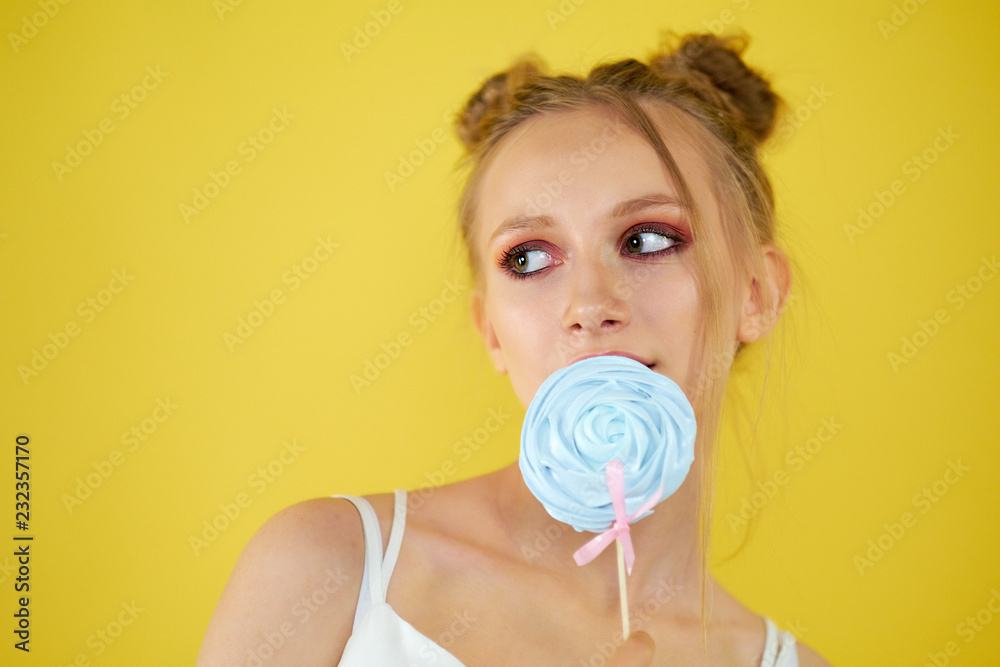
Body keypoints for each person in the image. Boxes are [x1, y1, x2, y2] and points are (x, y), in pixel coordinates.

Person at [197, 32, 833, 666]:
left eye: (646, 240)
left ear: (756, 294)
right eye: (528, 257)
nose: (589, 304)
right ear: (492, 331)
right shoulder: (327, 568)